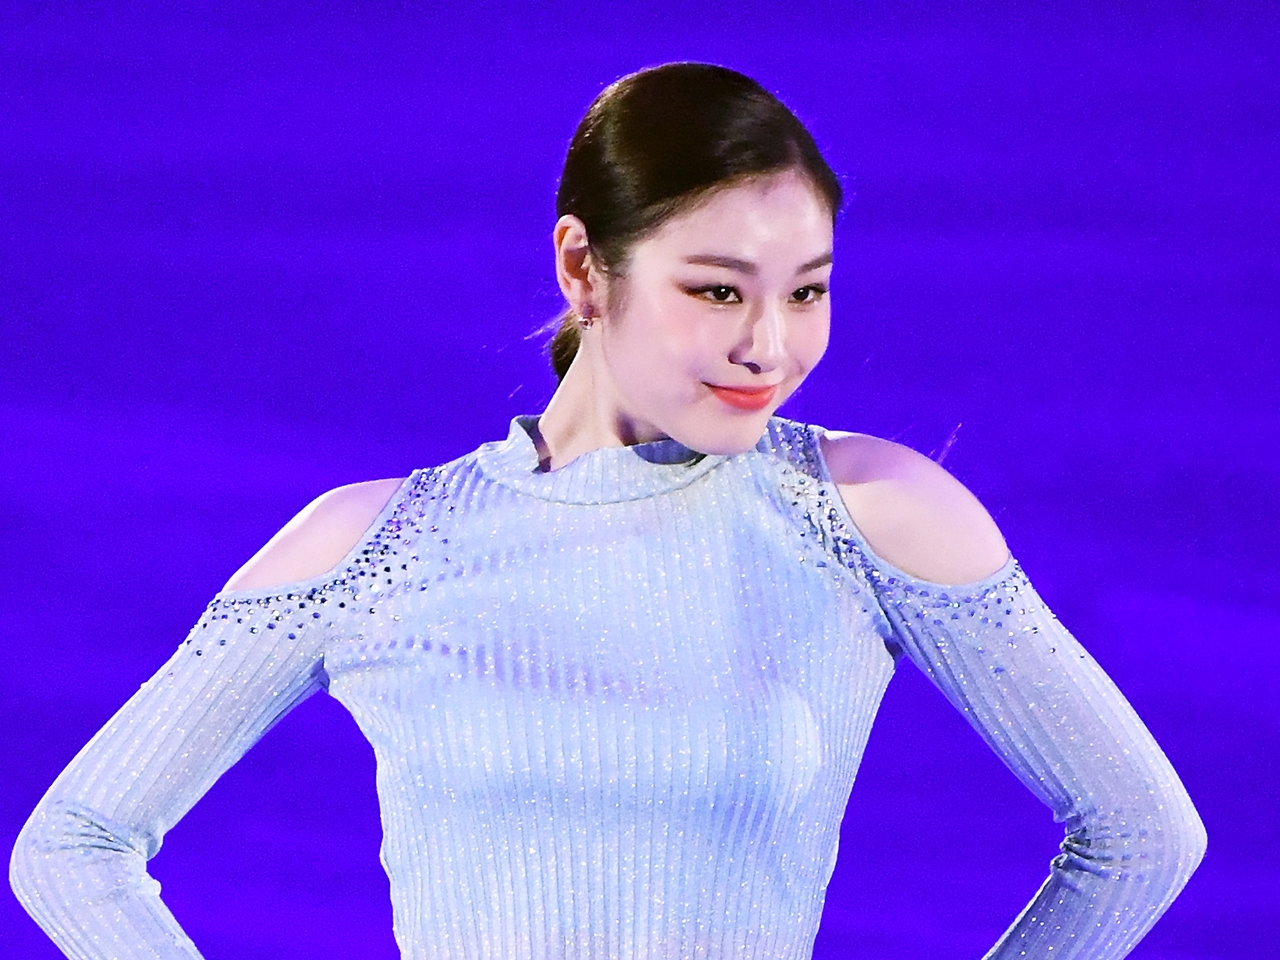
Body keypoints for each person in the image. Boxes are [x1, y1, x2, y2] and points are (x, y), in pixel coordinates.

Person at [11, 62, 1205, 960]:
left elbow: (1140, 838)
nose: (769, 346)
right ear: (582, 268)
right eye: (717, 291)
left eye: (806, 292)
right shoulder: (379, 544)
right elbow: (75, 846)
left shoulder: (865, 513)